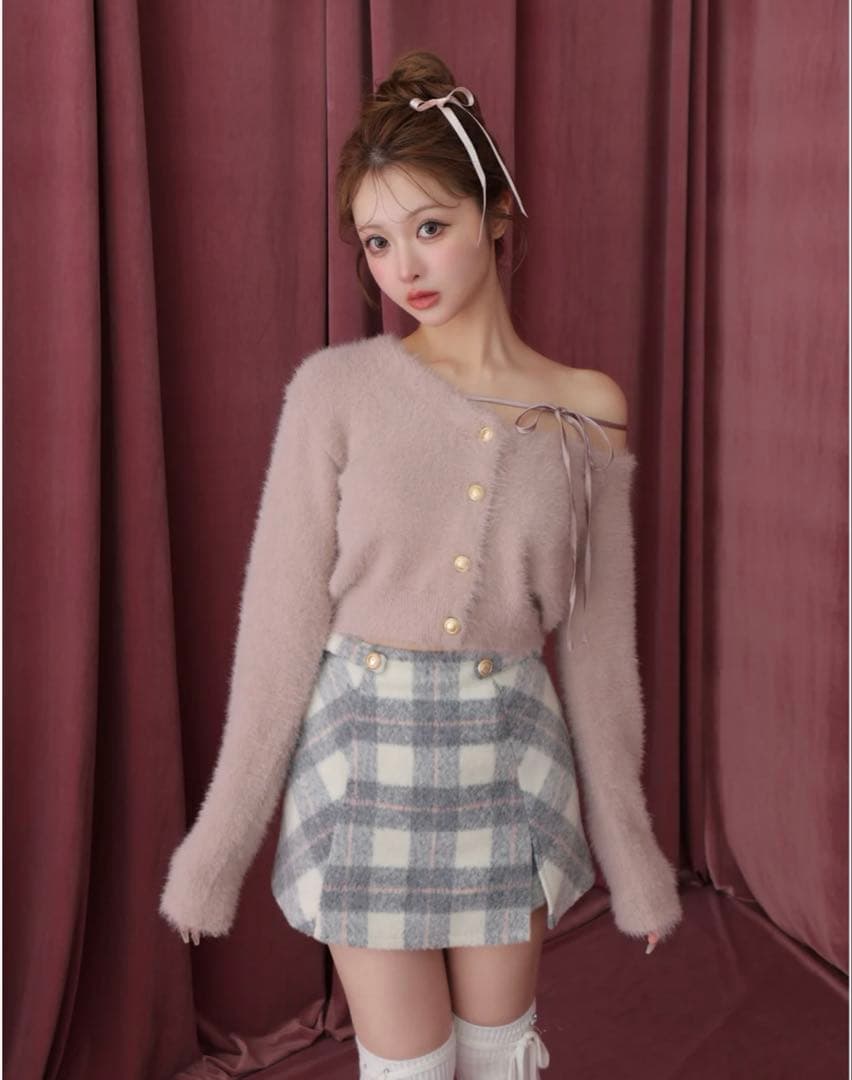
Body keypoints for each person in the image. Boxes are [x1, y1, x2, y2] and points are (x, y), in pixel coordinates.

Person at [159, 49, 683, 1080]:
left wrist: (635, 858)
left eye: (430, 227)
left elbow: (597, 653)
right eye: (378, 241)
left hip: (510, 770)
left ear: (496, 213)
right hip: (363, 770)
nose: (403, 267)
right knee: (409, 1069)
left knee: (499, 1060)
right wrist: (215, 851)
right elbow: (278, 629)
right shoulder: (334, 392)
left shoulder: (587, 409)